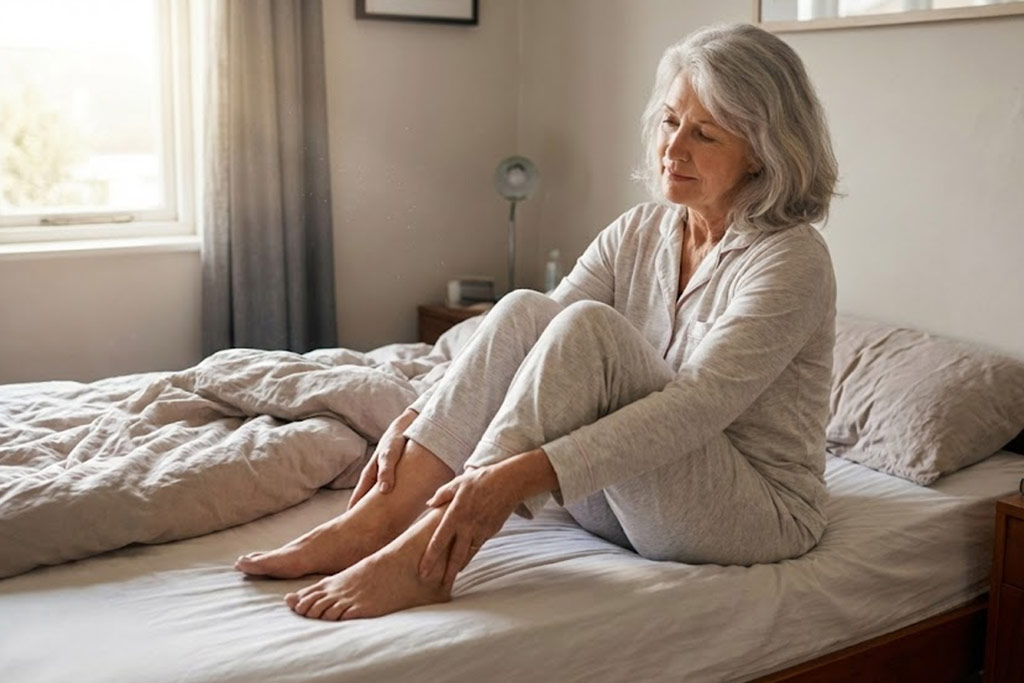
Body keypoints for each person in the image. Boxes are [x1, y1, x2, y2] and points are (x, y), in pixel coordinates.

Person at [235, 22, 839, 622]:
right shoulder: (640, 230)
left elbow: (695, 407)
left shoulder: (791, 259)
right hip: (620, 495)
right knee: (528, 306)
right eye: (670, 121)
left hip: (746, 512)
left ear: (762, 151)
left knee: (590, 329)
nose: (673, 149)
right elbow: (535, 334)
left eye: (704, 134)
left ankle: (427, 558)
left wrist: (503, 482)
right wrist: (417, 418)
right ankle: (373, 522)